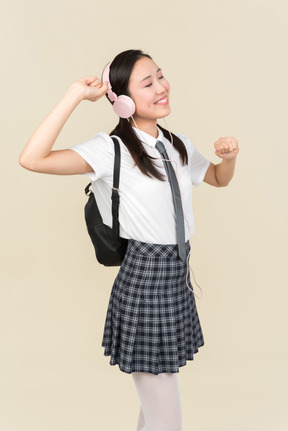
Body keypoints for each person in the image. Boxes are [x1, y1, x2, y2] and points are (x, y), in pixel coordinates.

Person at [19, 49, 239, 431]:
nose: (161, 87)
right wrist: (75, 94)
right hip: (145, 281)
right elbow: (32, 159)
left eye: (161, 75)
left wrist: (230, 157)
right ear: (121, 101)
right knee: (166, 420)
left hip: (177, 279)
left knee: (154, 413)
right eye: (147, 83)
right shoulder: (111, 149)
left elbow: (218, 178)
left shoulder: (177, 144)